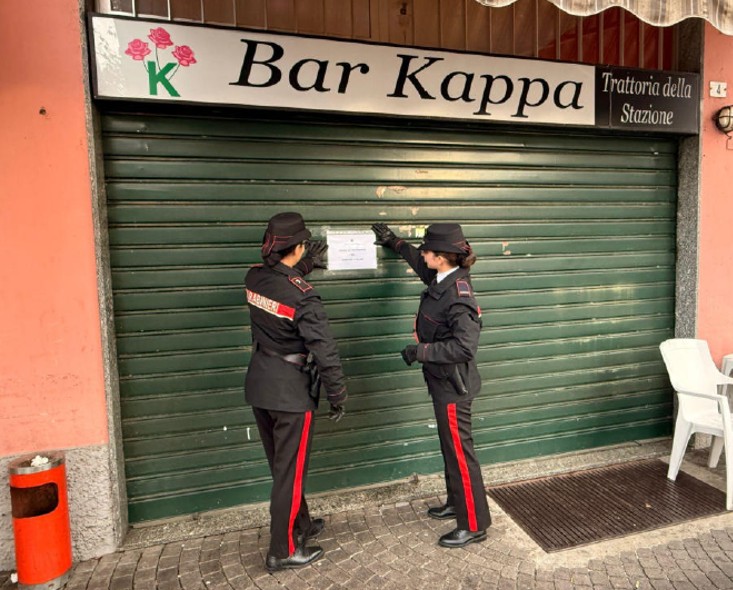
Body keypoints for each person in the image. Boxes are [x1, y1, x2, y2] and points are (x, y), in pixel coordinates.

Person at [371, 222, 491, 548]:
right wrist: (394, 242)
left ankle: (474, 524)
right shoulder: (443, 277)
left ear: (441, 257)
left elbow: (465, 347)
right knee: (449, 447)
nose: (422, 254)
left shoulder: (458, 297)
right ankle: (456, 502)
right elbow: (416, 260)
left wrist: (420, 351)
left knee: (461, 454)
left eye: (427, 251)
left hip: (454, 386)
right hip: (442, 381)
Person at [245, 212, 347, 572]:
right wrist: (337, 393)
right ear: (299, 247)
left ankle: (301, 524)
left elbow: (278, 283)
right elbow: (325, 351)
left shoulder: (254, 278)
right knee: (290, 473)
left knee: (283, 469)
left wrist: (303, 266)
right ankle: (282, 550)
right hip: (290, 393)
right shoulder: (305, 299)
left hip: (261, 384)